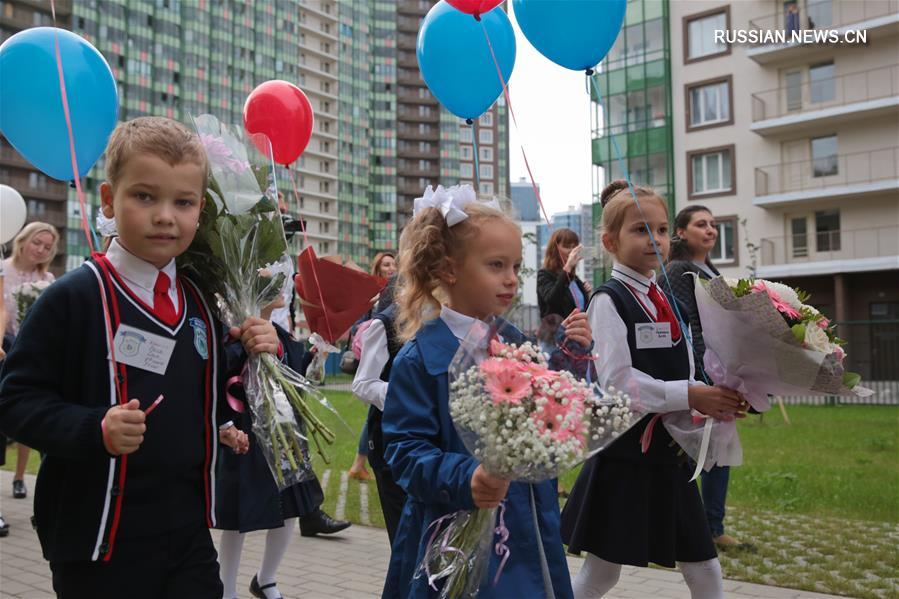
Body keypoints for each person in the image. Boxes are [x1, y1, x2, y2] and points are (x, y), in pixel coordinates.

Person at [0, 116, 285, 598]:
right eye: (145, 197)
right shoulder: (74, 298)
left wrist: (237, 392)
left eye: (184, 202)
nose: (165, 216)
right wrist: (95, 428)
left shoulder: (198, 303)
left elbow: (202, 393)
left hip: (187, 533)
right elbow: (15, 401)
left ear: (201, 212)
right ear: (110, 199)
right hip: (99, 541)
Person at [381, 185, 591, 598]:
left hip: (525, 528)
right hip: (450, 533)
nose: (511, 279)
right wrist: (467, 478)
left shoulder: (517, 345)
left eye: (515, 266)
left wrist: (571, 359)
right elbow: (405, 452)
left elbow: (548, 420)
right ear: (448, 269)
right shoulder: (421, 358)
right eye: (496, 265)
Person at [560, 180, 747, 599]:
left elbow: (687, 367)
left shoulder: (664, 298)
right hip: (627, 457)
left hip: (671, 454)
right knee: (602, 572)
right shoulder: (610, 300)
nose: (655, 240)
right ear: (610, 240)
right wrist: (692, 395)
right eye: (641, 230)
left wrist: (724, 394)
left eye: (662, 230)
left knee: (704, 568)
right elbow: (618, 384)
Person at [216, 316, 347, 599]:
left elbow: (298, 376)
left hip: (284, 430)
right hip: (248, 427)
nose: (278, 281)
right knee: (240, 510)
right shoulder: (235, 326)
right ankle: (226, 588)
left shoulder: (283, 332)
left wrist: (317, 352)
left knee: (290, 505)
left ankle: (266, 579)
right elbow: (225, 368)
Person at [662, 205, 747, 551]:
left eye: (713, 224)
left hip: (719, 369)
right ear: (681, 232)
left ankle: (712, 526)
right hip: (700, 372)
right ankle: (695, 527)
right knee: (695, 451)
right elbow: (689, 325)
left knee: (718, 448)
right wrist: (703, 374)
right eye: (701, 224)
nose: (710, 230)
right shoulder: (680, 269)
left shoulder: (708, 268)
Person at [2, 221, 60, 500]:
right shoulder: (4, 270)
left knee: (28, 411)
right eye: (37, 242)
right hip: (4, 347)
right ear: (23, 240)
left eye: (48, 247)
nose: (41, 250)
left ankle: (19, 477)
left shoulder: (48, 280)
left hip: (31, 351)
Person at [351, 295, 405, 544]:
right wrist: (408, 395)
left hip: (434, 446)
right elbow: (362, 384)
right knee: (404, 539)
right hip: (390, 443)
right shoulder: (386, 323)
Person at [347, 251, 398, 483]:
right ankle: (359, 462)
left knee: (373, 414)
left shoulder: (399, 289)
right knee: (373, 415)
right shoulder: (375, 296)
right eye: (385, 264)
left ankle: (359, 463)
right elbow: (359, 323)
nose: (390, 267)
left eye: (393, 263)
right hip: (377, 360)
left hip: (391, 360)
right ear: (378, 268)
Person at [537, 228, 591, 321]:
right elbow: (552, 299)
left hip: (577, 331)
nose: (571, 251)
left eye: (574, 247)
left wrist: (586, 291)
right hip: (556, 332)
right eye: (567, 246)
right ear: (555, 249)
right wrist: (568, 267)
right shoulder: (544, 274)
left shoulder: (575, 279)